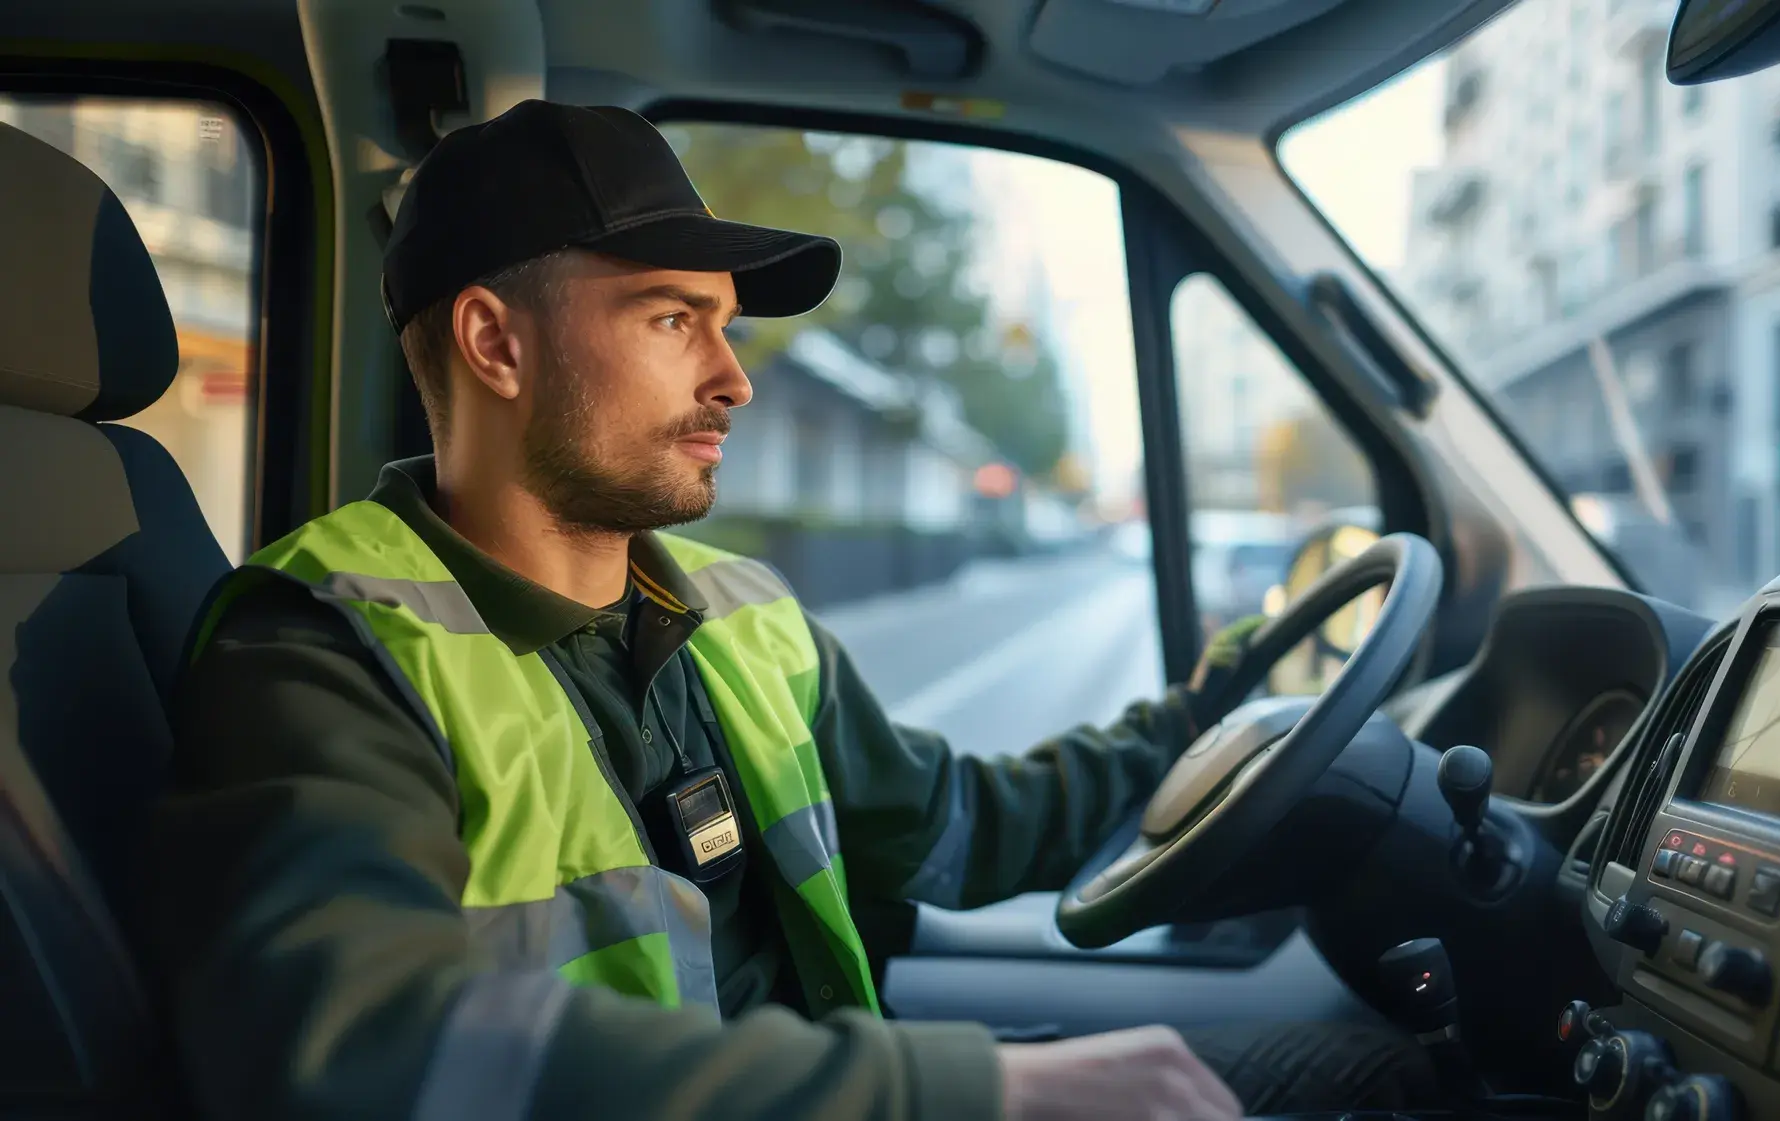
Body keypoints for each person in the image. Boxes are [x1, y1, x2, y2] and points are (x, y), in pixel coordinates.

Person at [146, 99, 1434, 1121]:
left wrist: (1207, 719)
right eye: (670, 319)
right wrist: (967, 1093)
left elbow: (964, 831)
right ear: (496, 345)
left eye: (726, 329)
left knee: (1389, 1080)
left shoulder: (740, 618)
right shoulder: (326, 647)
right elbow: (348, 1043)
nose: (732, 380)